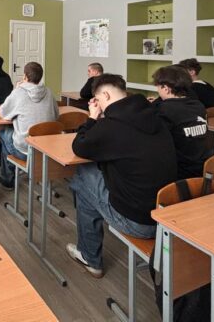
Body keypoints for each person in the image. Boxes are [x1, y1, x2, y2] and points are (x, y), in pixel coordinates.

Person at [66, 74, 176, 278]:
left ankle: (89, 256)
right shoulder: (154, 116)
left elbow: (79, 146)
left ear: (105, 95)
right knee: (94, 176)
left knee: (83, 175)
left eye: (97, 100)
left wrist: (92, 118)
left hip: (139, 223)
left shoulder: (110, 126)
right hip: (166, 216)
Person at [0, 62, 59, 189]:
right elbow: (56, 115)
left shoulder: (19, 92)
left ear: (25, 76)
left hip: (26, 151)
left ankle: (8, 179)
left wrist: (16, 90)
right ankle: (35, 171)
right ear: (40, 77)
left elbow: (3, 113)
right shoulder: (49, 92)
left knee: (3, 133)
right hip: (47, 149)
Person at [151, 65, 209, 178]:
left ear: (166, 88)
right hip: (200, 167)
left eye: (158, 87)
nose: (157, 91)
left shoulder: (163, 110)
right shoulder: (198, 105)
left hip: (178, 172)